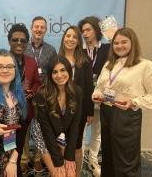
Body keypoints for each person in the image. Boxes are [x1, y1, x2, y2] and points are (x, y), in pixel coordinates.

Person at [92, 27, 152, 177]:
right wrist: (97, 95)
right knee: (108, 158)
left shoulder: (145, 65)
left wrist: (134, 101)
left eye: (124, 42)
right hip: (107, 112)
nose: (119, 46)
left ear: (133, 43)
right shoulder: (109, 64)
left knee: (126, 162)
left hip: (126, 115)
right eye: (116, 43)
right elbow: (99, 86)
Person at [32, 56, 82, 177]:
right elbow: (47, 131)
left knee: (70, 172)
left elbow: (75, 126)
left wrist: (69, 157)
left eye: (63, 70)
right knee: (58, 173)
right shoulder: (42, 94)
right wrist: (59, 162)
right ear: (50, 75)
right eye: (55, 72)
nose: (59, 75)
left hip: (62, 132)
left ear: (69, 71)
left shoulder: (77, 91)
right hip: (43, 133)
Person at [58, 25, 94, 177]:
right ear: (63, 38)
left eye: (74, 37)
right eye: (68, 36)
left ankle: (76, 174)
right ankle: (62, 172)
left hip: (78, 111)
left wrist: (89, 111)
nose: (70, 39)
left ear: (79, 41)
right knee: (60, 144)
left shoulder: (84, 62)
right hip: (59, 110)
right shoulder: (56, 59)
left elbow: (88, 88)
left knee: (77, 145)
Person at [77, 16, 110, 177]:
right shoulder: (79, 50)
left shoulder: (107, 48)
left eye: (88, 29)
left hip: (102, 97)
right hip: (83, 99)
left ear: (97, 30)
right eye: (83, 30)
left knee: (97, 132)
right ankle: (80, 160)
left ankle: (93, 160)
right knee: (80, 132)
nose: (85, 33)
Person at [7, 23, 42, 174]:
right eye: (15, 40)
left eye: (22, 40)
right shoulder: (2, 59)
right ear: (9, 41)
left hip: (25, 112)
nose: (19, 43)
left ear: (27, 42)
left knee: (20, 146)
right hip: (5, 113)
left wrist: (32, 93)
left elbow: (37, 83)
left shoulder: (31, 61)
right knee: (7, 148)